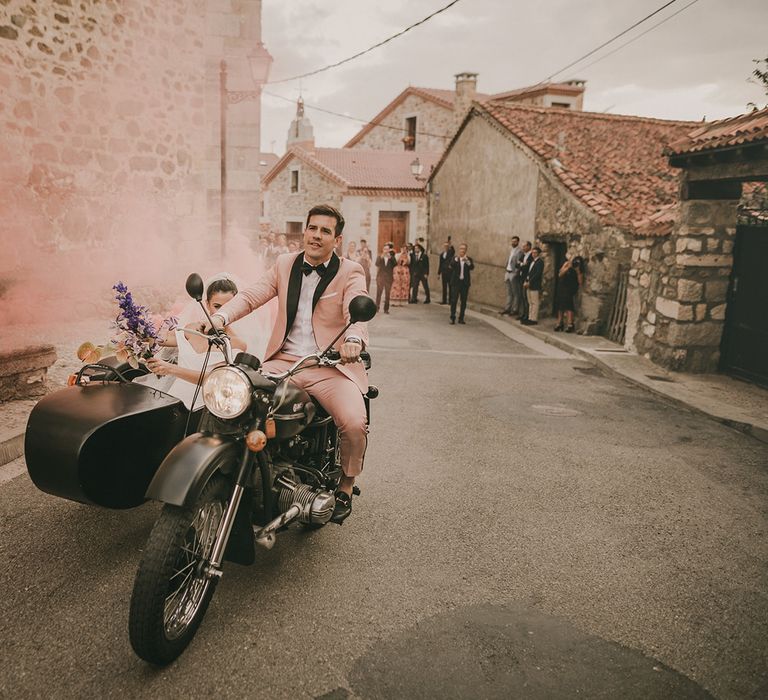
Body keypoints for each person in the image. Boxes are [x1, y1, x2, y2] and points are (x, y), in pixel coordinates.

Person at [211, 204, 370, 524]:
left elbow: (357, 311)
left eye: (326, 231)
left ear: (336, 239)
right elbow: (252, 295)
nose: (317, 235)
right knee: (235, 397)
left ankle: (346, 485)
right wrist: (221, 315)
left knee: (354, 422)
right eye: (313, 228)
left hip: (329, 365)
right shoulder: (284, 264)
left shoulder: (350, 271)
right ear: (304, 231)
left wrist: (353, 340)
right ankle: (239, 472)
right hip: (283, 363)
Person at [142, 276, 247, 409]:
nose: (221, 312)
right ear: (207, 304)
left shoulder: (237, 344)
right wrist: (134, 333)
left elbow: (216, 380)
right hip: (173, 401)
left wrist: (170, 369)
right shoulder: (192, 329)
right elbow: (159, 339)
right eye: (217, 306)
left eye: (227, 307)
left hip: (206, 408)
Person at [555, 255, 583, 333]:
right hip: (562, 286)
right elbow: (560, 274)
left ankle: (570, 324)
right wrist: (568, 267)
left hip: (571, 288)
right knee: (560, 305)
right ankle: (559, 323)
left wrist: (578, 271)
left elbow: (580, 282)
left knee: (569, 306)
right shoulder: (567, 264)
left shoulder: (579, 269)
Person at [448, 243, 474, 325]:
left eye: (464, 249)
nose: (462, 250)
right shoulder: (455, 258)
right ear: (459, 250)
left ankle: (461, 318)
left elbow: (472, 267)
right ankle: (452, 317)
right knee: (454, 300)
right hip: (456, 282)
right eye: (461, 248)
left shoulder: (468, 259)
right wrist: (456, 260)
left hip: (464, 283)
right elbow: (451, 265)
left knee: (463, 301)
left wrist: (467, 261)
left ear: (466, 250)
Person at [500, 236, 524, 316]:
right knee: (509, 292)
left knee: (515, 292)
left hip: (513, 273)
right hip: (508, 272)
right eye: (512, 241)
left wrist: (516, 273)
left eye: (515, 241)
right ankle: (507, 308)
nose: (513, 243)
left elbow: (518, 263)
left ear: (518, 242)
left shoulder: (519, 251)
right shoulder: (511, 250)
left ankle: (515, 309)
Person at [522, 246, 544, 326]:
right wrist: (526, 280)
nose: (533, 254)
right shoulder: (532, 261)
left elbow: (537, 274)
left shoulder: (540, 262)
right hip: (529, 284)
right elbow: (529, 273)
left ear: (538, 254)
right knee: (530, 302)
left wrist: (530, 282)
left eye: (535, 253)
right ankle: (530, 317)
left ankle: (534, 319)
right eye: (533, 253)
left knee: (535, 302)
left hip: (534, 285)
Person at [375, 242, 397, 314]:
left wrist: (390, 258)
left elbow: (395, 264)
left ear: (389, 250)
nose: (386, 250)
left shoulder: (391, 257)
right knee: (379, 293)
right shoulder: (380, 256)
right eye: (385, 249)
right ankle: (377, 308)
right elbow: (376, 264)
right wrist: (381, 257)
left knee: (387, 294)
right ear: (383, 249)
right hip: (380, 278)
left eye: (387, 249)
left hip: (388, 279)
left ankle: (386, 309)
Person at [517, 241, 532, 321]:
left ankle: (526, 315)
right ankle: (522, 313)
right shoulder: (523, 255)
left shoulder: (530, 256)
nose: (523, 248)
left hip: (526, 278)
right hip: (521, 277)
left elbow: (527, 267)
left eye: (525, 246)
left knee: (526, 297)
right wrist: (522, 264)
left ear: (529, 246)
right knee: (522, 297)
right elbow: (517, 264)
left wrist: (521, 264)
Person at [437, 240, 455, 305]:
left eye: (447, 246)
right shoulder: (442, 254)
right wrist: (439, 273)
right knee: (444, 287)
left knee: (450, 286)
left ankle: (450, 301)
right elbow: (440, 263)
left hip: (449, 272)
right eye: (445, 246)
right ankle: (444, 300)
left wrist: (451, 245)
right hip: (443, 272)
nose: (446, 247)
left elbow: (453, 251)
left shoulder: (450, 252)